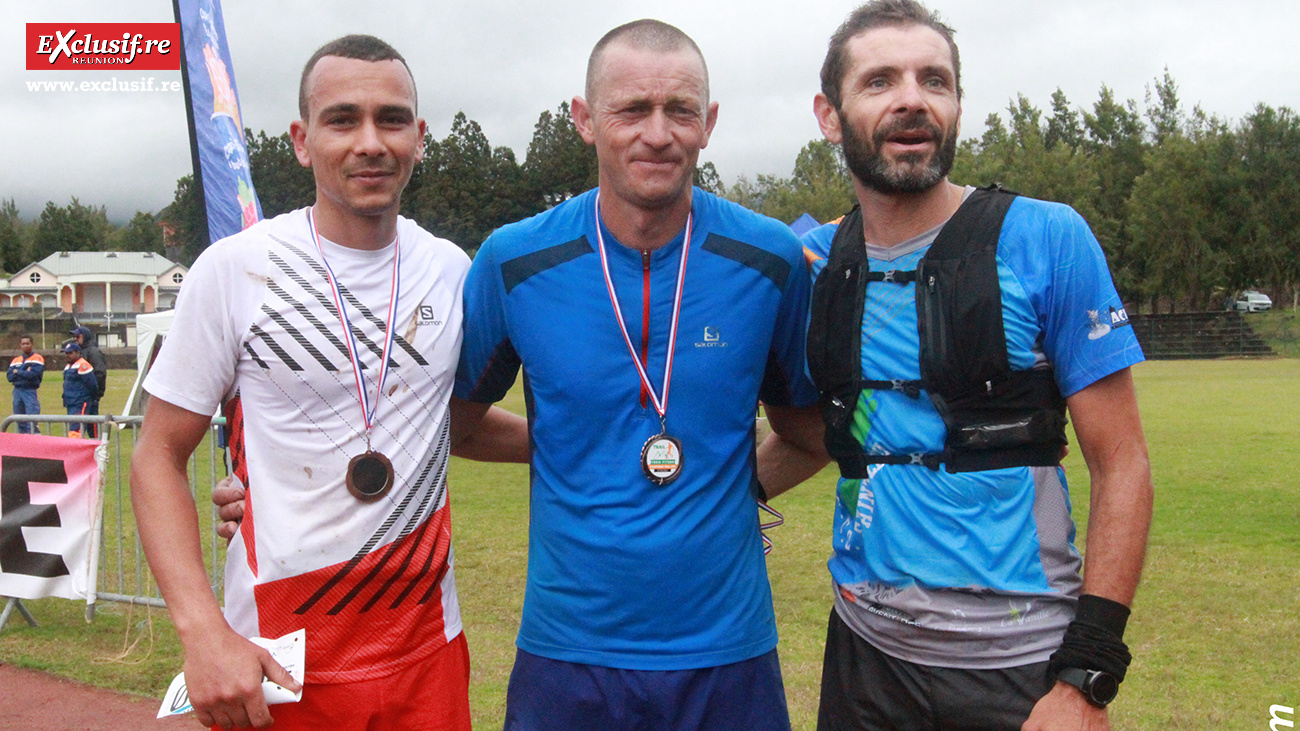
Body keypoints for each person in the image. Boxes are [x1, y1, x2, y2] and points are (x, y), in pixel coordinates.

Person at [131, 35, 525, 731]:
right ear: (302, 140)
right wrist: (201, 631)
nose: (369, 142)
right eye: (342, 119)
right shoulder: (233, 270)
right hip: (281, 657)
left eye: (392, 119)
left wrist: (568, 439)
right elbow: (157, 453)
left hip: (426, 650)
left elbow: (451, 423)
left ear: (420, 138)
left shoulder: (452, 271)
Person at [453, 19, 825, 731]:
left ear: (708, 123)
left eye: (680, 110)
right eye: (631, 109)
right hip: (568, 655)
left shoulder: (772, 259)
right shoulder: (514, 262)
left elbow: (809, 434)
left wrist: (724, 490)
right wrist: (568, 446)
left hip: (729, 655)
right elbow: (450, 427)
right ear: (585, 120)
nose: (658, 133)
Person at [791, 2, 1155, 728]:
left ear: (957, 104)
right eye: (880, 81)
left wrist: (1086, 677)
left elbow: (1124, 465)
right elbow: (825, 434)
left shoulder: (1047, 237)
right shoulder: (812, 260)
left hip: (1019, 665)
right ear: (829, 115)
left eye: (935, 80)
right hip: (863, 657)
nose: (912, 99)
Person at [69, 326, 106, 438]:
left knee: (93, 428)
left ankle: (97, 450)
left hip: (91, 396)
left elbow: (100, 374)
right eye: (74, 336)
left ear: (85, 337)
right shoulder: (77, 352)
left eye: (78, 336)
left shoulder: (94, 352)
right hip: (79, 397)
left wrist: (95, 393)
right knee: (79, 427)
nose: (75, 339)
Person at [8, 335, 44, 434]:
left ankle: (36, 442)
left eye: (27, 343)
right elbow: (9, 377)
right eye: (23, 344)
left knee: (32, 421)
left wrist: (18, 372)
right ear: (20, 345)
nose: (25, 346)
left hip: (30, 391)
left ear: (32, 344)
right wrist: (25, 371)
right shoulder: (16, 360)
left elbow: (33, 375)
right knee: (20, 421)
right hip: (17, 391)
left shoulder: (37, 358)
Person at [60, 342, 96, 439]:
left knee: (77, 429)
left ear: (78, 353)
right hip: (70, 402)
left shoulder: (83, 365)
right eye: (66, 353)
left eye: (70, 353)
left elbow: (92, 385)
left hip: (80, 402)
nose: (67, 355)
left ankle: (76, 451)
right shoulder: (68, 366)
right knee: (73, 428)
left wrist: (86, 399)